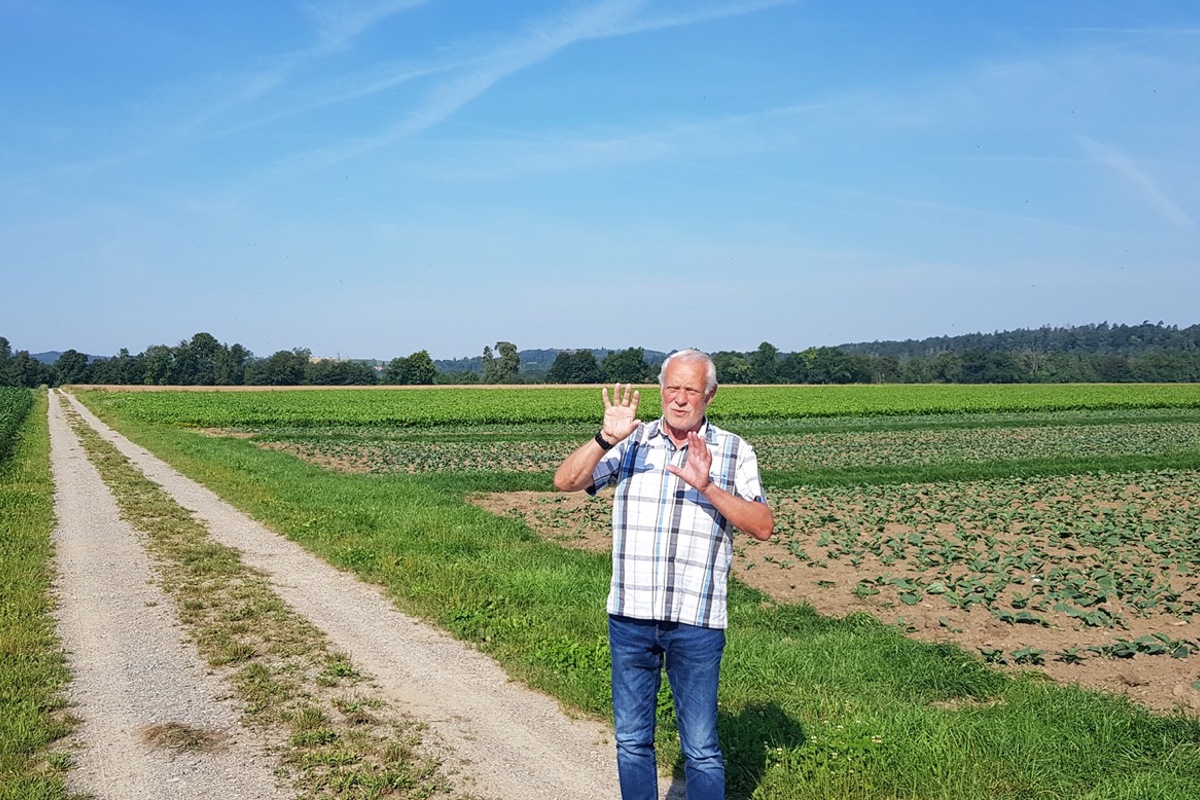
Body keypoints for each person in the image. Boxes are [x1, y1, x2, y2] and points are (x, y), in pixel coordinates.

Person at [553, 348, 774, 800]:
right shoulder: (632, 441)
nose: (678, 399)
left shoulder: (733, 450)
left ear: (709, 395)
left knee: (702, 749)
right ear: (660, 390)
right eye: (671, 387)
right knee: (633, 741)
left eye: (690, 389)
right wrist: (603, 439)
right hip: (631, 615)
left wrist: (707, 485)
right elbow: (566, 482)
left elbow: (762, 526)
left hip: (697, 619)